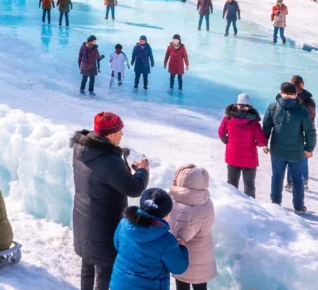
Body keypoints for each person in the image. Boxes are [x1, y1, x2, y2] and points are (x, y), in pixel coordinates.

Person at [71, 112, 150, 290]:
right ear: (111, 134)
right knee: (105, 272)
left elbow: (104, 178)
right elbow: (133, 188)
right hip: (104, 224)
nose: (122, 135)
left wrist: (122, 163)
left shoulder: (82, 149)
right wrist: (143, 171)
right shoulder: (108, 160)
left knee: (87, 265)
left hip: (84, 217)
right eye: (120, 131)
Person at [111, 187, 189, 290]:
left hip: (119, 285)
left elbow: (117, 245)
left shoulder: (124, 224)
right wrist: (182, 248)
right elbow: (178, 268)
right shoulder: (167, 240)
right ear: (165, 215)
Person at [263, 82, 316, 213]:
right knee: (297, 180)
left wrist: (264, 143)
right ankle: (298, 206)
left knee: (277, 176)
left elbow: (266, 127)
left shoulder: (273, 107)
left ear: (281, 93)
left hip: (277, 150)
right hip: (296, 152)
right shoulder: (302, 111)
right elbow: (310, 131)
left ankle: (275, 202)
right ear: (296, 94)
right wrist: (309, 149)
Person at [167, 165, 216, 290]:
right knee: (200, 286)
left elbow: (181, 234)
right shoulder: (206, 200)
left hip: (184, 256)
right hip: (203, 253)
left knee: (182, 285)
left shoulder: (177, 204)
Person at [217, 93, 266, 198]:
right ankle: (251, 207)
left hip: (232, 156)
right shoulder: (254, 123)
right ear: (249, 107)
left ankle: (232, 204)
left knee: (232, 183)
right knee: (249, 184)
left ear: (236, 104)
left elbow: (221, 133)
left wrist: (227, 142)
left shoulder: (228, 119)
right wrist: (254, 143)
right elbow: (262, 142)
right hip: (250, 158)